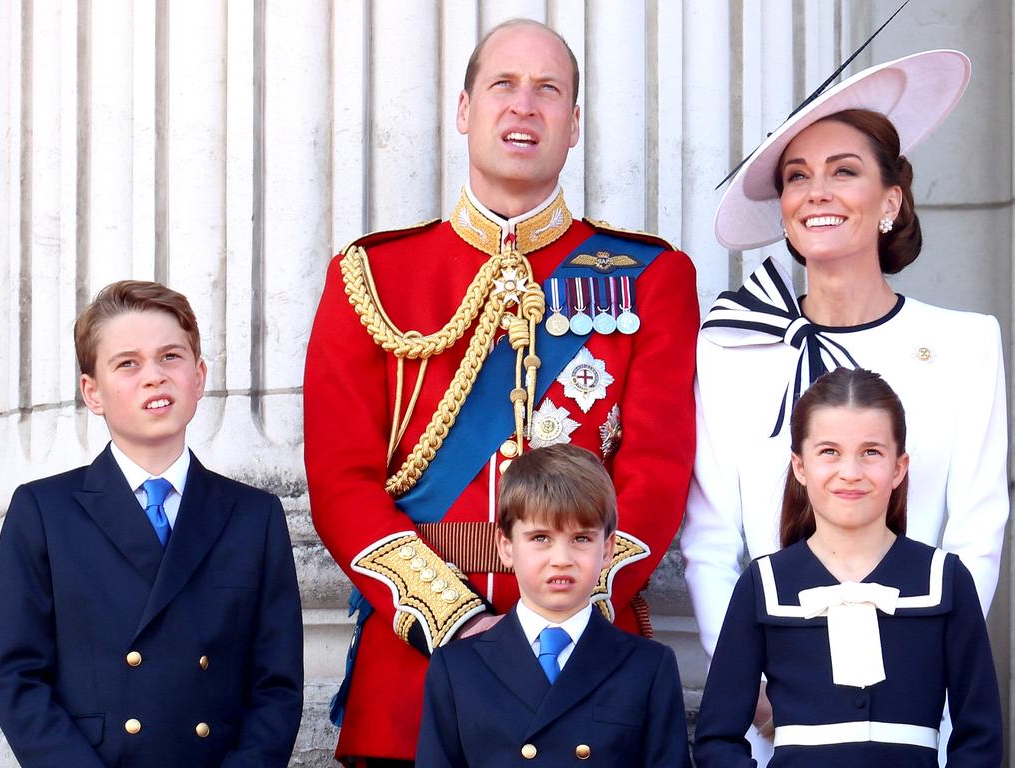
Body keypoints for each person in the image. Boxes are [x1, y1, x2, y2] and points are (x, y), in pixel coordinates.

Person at [304, 17, 698, 765]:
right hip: (415, 673)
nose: (525, 106)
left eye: (548, 90)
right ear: (464, 111)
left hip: (589, 674)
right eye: (503, 85)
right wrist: (450, 617)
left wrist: (574, 609)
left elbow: (657, 470)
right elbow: (339, 480)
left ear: (573, 124)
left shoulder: (651, 278)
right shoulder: (370, 277)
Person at [680, 50, 1008, 761]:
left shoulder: (965, 344)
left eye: (844, 171)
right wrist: (750, 674)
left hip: (918, 710)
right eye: (798, 177)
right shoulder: (731, 346)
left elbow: (978, 530)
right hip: (781, 711)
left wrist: (927, 665)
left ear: (890, 200)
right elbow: (709, 539)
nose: (816, 192)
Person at [0, 281, 304, 767]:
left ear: (198, 377)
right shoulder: (43, 512)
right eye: (128, 363)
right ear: (92, 392)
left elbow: (276, 686)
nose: (154, 377)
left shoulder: (254, 516)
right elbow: (17, 678)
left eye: (171, 357)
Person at [692, 367, 1003, 766]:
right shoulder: (764, 583)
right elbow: (717, 739)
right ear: (800, 466)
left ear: (899, 467)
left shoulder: (945, 578)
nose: (851, 472)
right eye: (829, 452)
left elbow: (980, 736)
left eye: (871, 452)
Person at [416, 444, 690, 767]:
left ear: (607, 549)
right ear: (506, 546)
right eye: (540, 538)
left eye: (581, 539)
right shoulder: (457, 668)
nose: (561, 560)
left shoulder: (648, 666)